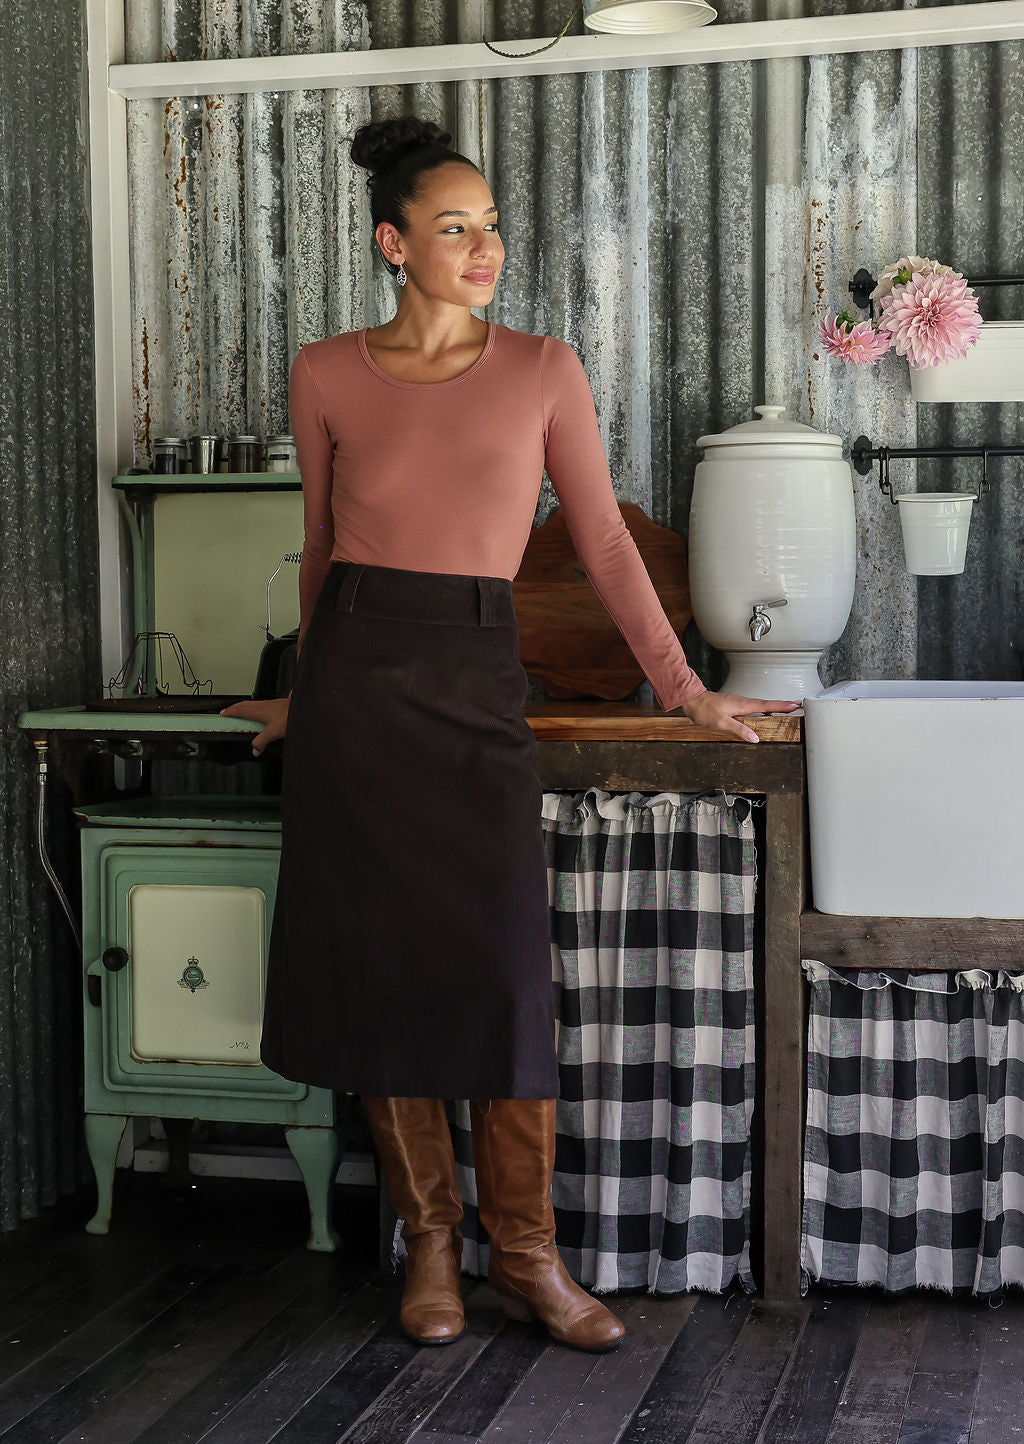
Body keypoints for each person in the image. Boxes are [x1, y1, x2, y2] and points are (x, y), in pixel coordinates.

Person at [222, 113, 799, 1354]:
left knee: (500, 978)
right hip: (357, 696)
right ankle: (431, 1243)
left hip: (474, 682)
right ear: (394, 243)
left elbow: (602, 544)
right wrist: (304, 694)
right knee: (385, 980)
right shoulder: (324, 372)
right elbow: (321, 548)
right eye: (453, 227)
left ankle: (527, 1253)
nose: (484, 247)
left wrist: (685, 688)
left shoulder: (543, 368)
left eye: (490, 225)